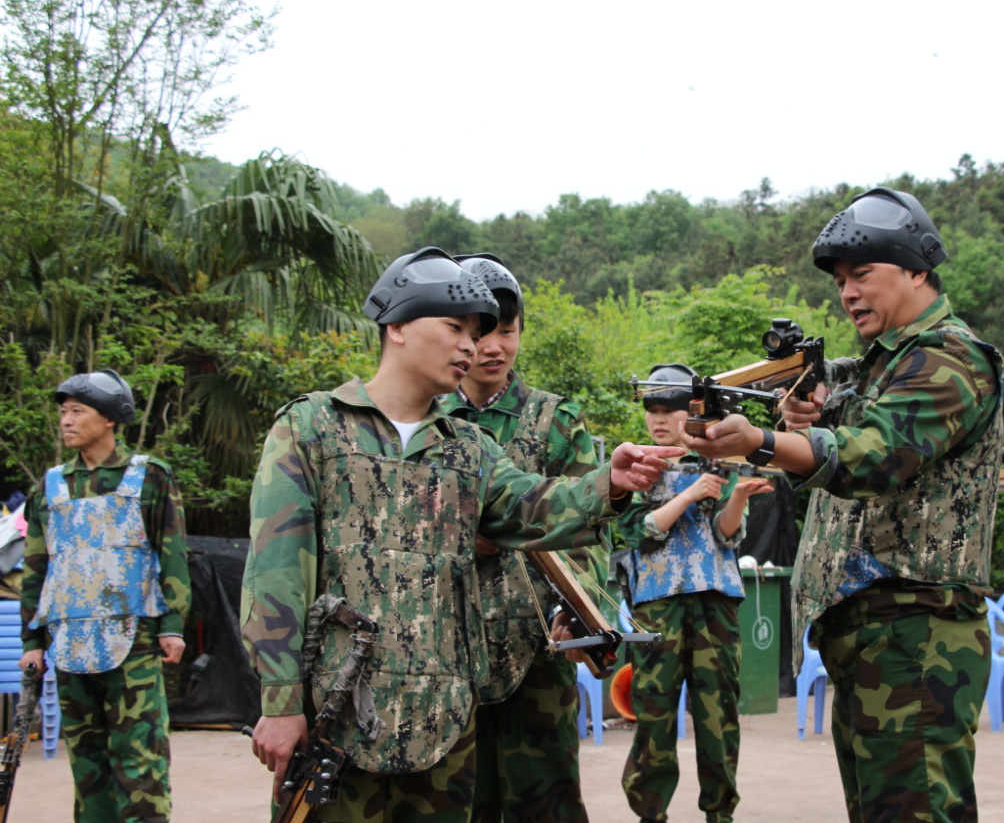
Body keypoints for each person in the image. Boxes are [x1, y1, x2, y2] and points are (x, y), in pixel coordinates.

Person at [241, 247, 680, 823]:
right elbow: (275, 574)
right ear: (396, 325)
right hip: (341, 712)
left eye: (480, 332)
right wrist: (279, 702)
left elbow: (530, 505)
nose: (473, 346)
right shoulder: (312, 429)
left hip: (445, 722)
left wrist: (609, 483)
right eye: (455, 327)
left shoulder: (468, 448)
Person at [679, 187, 1004, 822]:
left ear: (917, 269)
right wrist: (809, 415)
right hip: (874, 633)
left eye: (862, 274)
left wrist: (768, 441)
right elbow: (847, 432)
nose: (848, 293)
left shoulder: (949, 357)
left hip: (917, 633)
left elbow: (879, 454)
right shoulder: (883, 366)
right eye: (839, 281)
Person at [439, 252, 606, 823]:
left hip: (538, 646)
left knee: (548, 800)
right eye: (479, 332)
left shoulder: (555, 420)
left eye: (506, 332)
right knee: (458, 800)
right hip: (442, 651)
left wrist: (578, 613)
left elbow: (586, 532)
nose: (492, 348)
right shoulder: (425, 421)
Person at [20, 368, 191, 823]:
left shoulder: (149, 478)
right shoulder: (52, 486)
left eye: (78, 411)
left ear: (111, 419)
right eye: (63, 412)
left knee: (141, 762)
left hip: (132, 640)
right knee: (88, 765)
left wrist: (172, 625)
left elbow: (171, 555)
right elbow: (38, 567)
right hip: (69, 641)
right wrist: (32, 641)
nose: (66, 420)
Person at [617, 363, 772, 823]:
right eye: (653, 410)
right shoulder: (636, 464)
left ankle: (719, 814)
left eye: (671, 410)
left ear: (694, 411)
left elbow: (726, 536)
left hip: (715, 601)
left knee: (718, 716)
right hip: (658, 603)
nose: (660, 420)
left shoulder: (718, 459)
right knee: (654, 714)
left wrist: (738, 495)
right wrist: (687, 496)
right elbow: (639, 533)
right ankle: (651, 814)